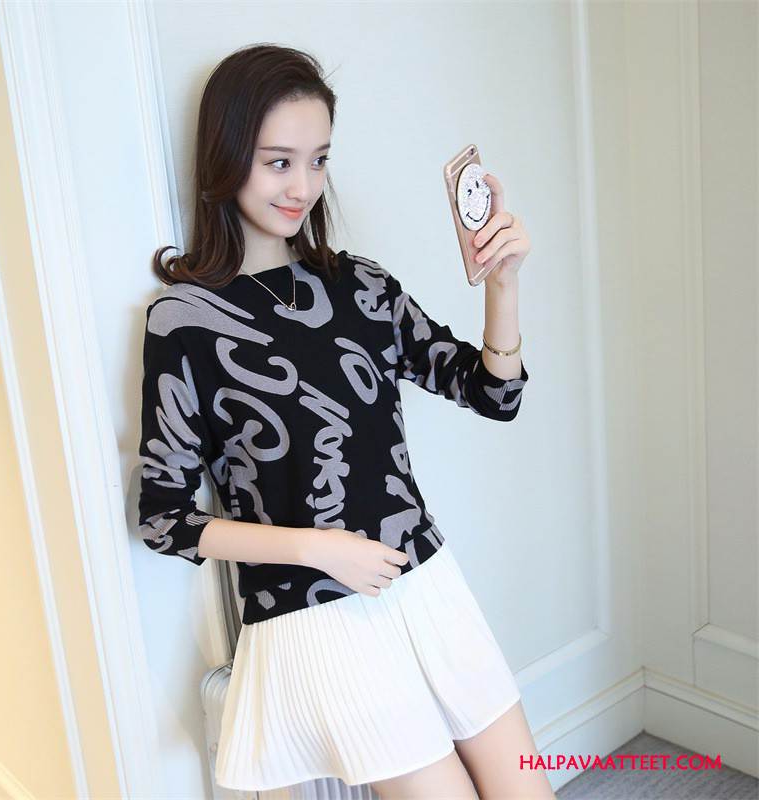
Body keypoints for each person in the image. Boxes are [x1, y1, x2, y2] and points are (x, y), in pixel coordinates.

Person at [137, 42, 554, 800]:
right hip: (316, 617)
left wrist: (503, 286)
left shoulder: (360, 286)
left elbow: (493, 395)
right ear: (227, 156)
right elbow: (164, 519)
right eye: (279, 162)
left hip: (425, 582)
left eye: (319, 159)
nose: (303, 186)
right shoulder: (185, 320)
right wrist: (318, 549)